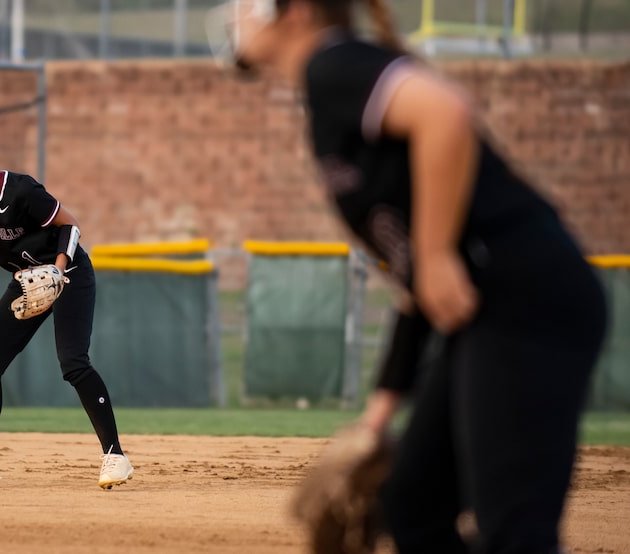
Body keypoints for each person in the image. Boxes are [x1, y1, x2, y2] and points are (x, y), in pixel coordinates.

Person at [216, 0, 608, 552]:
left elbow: (444, 111)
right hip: (490, 307)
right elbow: (415, 291)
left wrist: (438, 250)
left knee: (516, 532)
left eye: (248, 5)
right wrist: (376, 420)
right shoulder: (324, 92)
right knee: (411, 507)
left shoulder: (333, 63)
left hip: (528, 297)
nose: (236, 15)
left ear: (297, 13)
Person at [0, 97, 133, 490]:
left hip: (68, 273)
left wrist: (57, 271)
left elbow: (70, 226)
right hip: (26, 281)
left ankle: (115, 457)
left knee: (73, 363)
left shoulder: (21, 190)